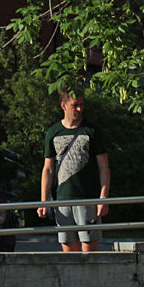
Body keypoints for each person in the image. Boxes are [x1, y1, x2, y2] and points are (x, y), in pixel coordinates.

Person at [38, 90, 111, 252]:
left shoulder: (91, 131)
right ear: (64, 106)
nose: (79, 109)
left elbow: (104, 167)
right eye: (75, 105)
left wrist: (103, 197)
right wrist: (43, 201)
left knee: (90, 250)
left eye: (81, 105)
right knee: (69, 252)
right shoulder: (53, 132)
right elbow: (48, 169)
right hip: (62, 199)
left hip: (88, 198)